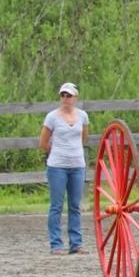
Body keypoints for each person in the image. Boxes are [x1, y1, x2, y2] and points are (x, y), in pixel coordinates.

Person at [39, 81, 89, 255]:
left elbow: (83, 137)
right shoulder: (52, 117)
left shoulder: (82, 116)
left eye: (69, 95)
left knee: (75, 205)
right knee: (56, 205)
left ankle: (76, 243)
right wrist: (57, 153)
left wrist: (74, 152)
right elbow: (43, 142)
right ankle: (56, 244)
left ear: (75, 97)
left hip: (77, 165)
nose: (65, 98)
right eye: (63, 95)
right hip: (57, 166)